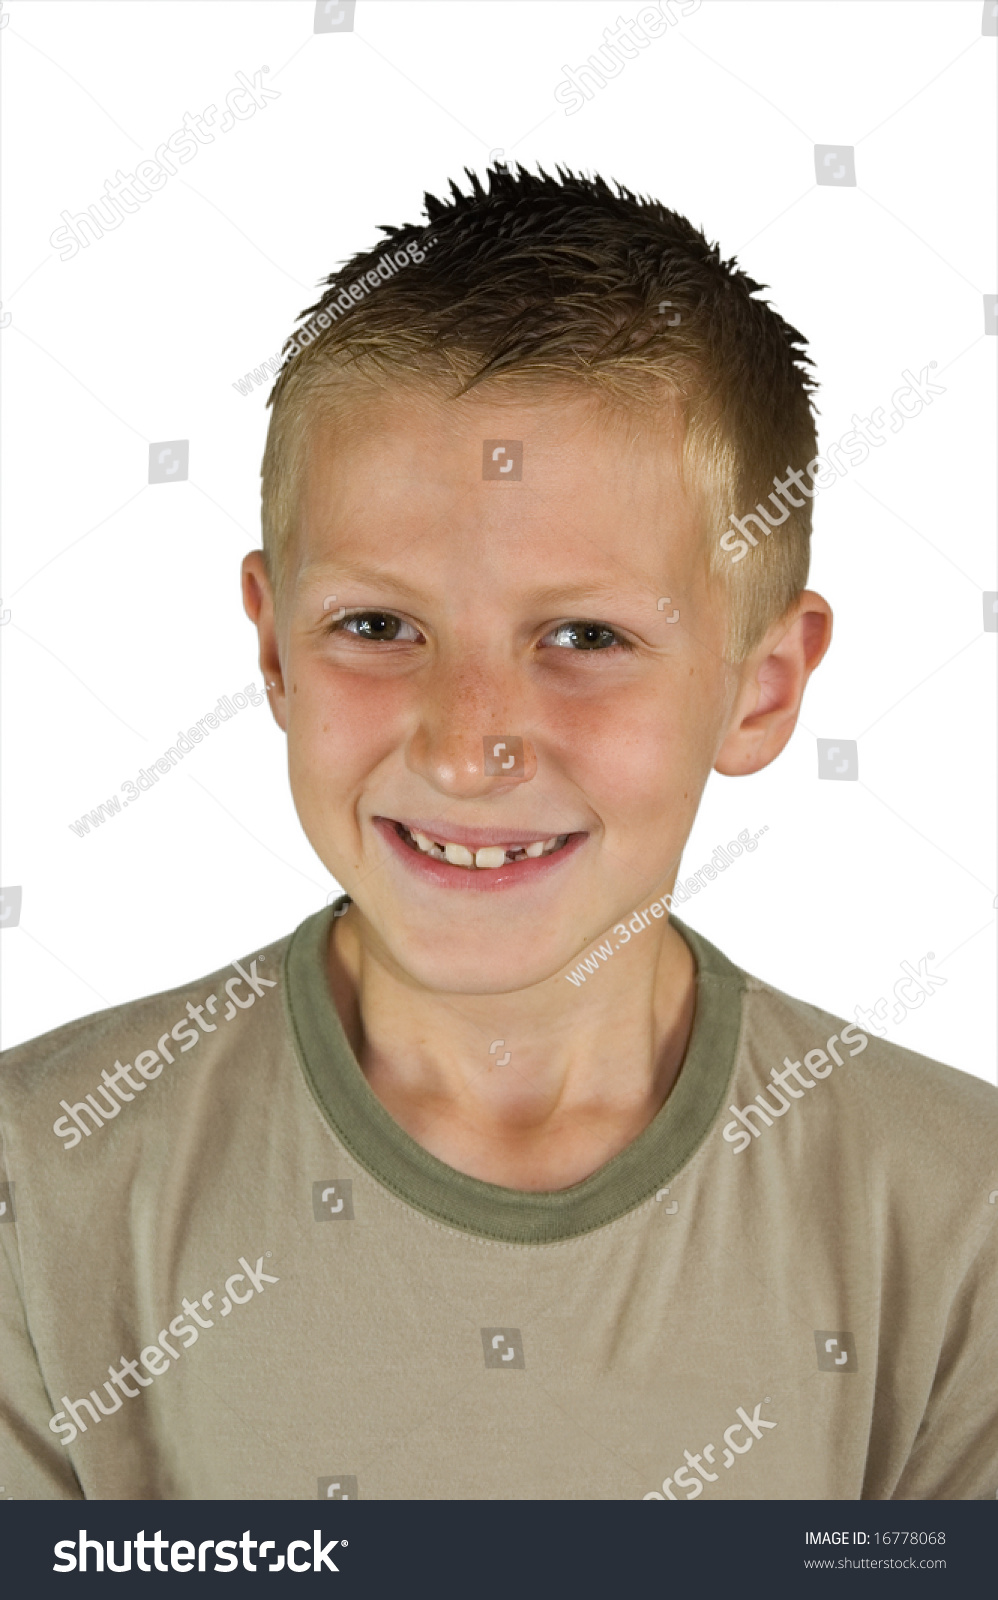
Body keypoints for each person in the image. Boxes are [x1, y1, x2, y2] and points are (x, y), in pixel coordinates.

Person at [2, 166, 995, 1501]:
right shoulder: (37, 1194)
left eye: (583, 637)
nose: (467, 743)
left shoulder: (955, 1225)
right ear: (273, 649)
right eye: (377, 627)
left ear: (761, 686)